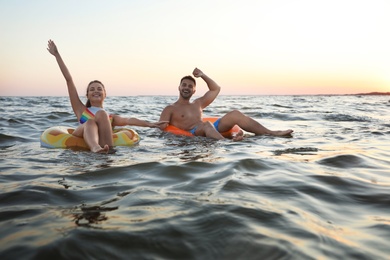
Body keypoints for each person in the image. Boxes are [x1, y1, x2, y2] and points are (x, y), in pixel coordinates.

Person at [47, 39, 166, 153]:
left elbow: (129, 120)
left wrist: (150, 124)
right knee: (90, 122)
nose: (96, 91)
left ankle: (107, 153)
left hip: (106, 145)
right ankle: (95, 148)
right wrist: (57, 55)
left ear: (105, 94)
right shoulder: (81, 110)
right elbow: (69, 80)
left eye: (99, 89)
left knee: (102, 114)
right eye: (92, 89)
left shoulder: (110, 118)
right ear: (87, 95)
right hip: (84, 140)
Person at [159, 68, 293, 141]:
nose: (186, 87)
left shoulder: (198, 103)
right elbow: (161, 128)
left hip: (211, 128)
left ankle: (271, 133)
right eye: (184, 85)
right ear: (179, 87)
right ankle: (226, 144)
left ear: (194, 90)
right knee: (206, 124)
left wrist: (203, 75)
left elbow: (215, 89)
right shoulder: (170, 108)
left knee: (235, 114)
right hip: (195, 132)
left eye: (190, 86)